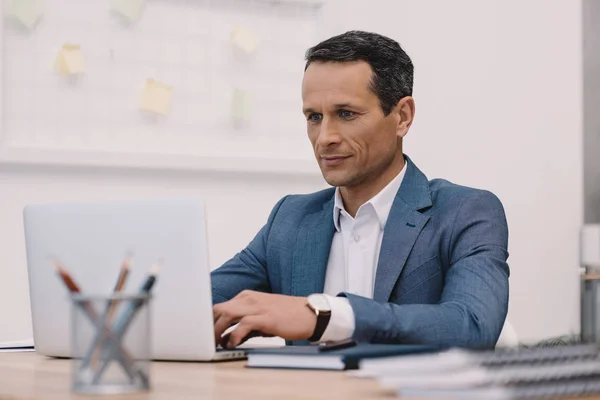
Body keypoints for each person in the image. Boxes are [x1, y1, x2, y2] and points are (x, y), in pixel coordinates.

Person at [211, 30, 509, 350]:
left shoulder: (465, 212)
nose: (325, 137)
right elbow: (195, 302)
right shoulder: (290, 219)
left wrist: (326, 316)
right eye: (314, 117)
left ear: (402, 117)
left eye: (346, 114)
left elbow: (472, 328)